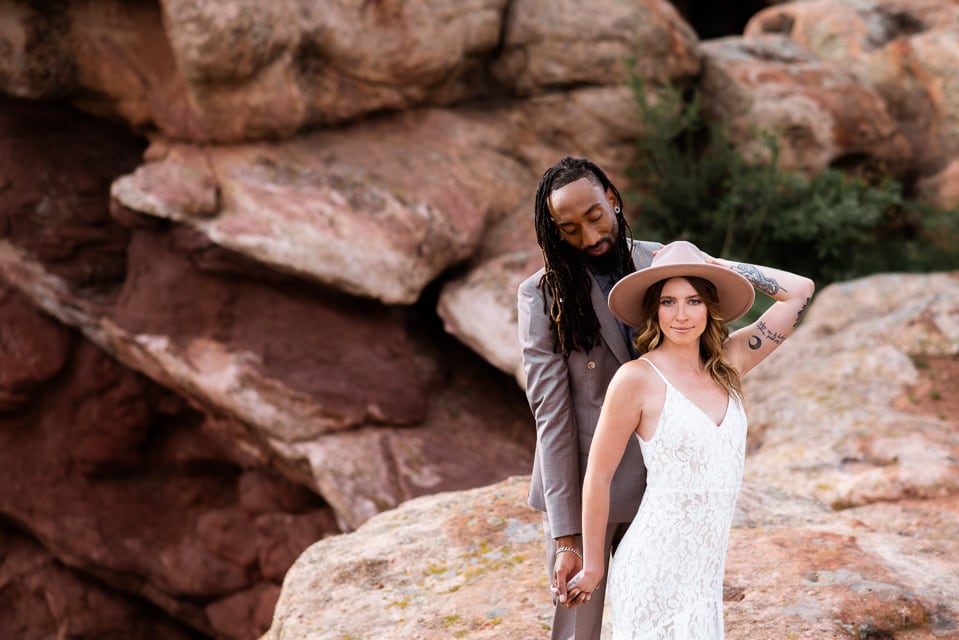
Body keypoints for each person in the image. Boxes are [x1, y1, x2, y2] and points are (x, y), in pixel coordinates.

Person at [566, 240, 815, 638]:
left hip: (703, 577)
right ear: (653, 310)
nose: (681, 315)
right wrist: (594, 563)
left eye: (694, 300)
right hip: (652, 570)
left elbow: (800, 290)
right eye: (668, 302)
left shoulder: (730, 363)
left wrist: (717, 264)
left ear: (709, 307)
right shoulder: (636, 379)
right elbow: (597, 476)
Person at [517, 156, 661, 639]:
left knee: (661, 624)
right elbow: (551, 415)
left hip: (664, 485)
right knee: (579, 630)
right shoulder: (543, 294)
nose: (588, 235)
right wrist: (566, 537)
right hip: (586, 488)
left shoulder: (664, 263)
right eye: (569, 228)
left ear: (613, 201)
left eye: (595, 215)